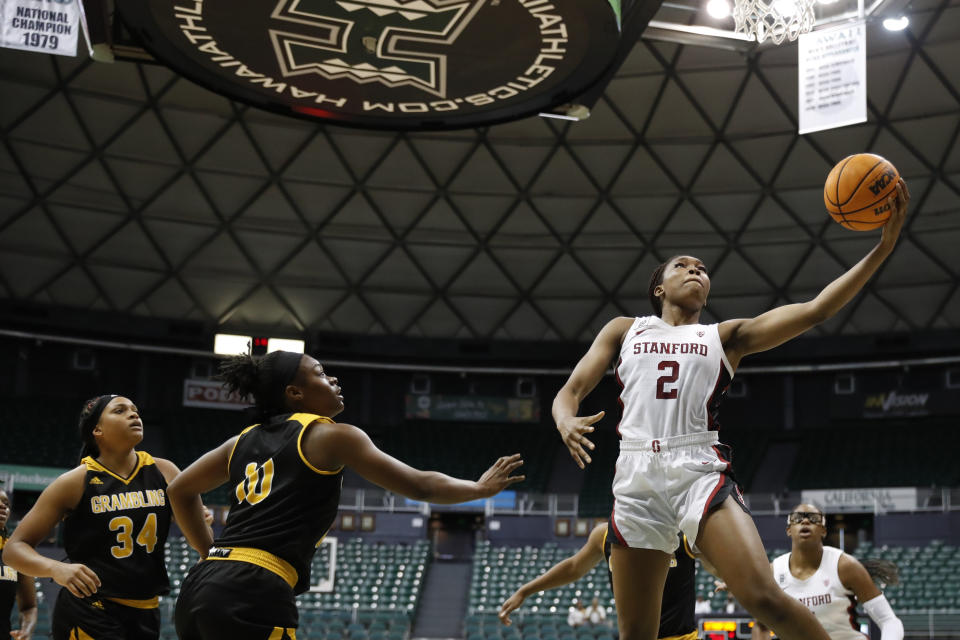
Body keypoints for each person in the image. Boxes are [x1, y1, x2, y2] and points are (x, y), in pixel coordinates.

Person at [551, 181, 909, 640]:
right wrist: (564, 418)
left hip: (697, 469)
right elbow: (572, 389)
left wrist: (883, 247)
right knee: (637, 633)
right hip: (635, 475)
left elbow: (817, 309)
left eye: (703, 268)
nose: (697, 270)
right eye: (684, 266)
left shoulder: (725, 337)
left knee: (761, 597)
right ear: (659, 287)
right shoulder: (625, 329)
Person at [167, 351, 525, 640]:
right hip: (254, 586)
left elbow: (180, 490)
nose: (334, 379)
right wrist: (478, 489)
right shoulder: (331, 436)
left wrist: (206, 551)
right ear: (295, 393)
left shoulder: (240, 441)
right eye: (321, 374)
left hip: (202, 585)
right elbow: (420, 485)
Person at [2, 395, 205, 640]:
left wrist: (197, 519)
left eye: (135, 410)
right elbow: (13, 549)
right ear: (97, 429)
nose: (133, 414)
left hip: (146, 611)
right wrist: (56, 568)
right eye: (120, 410)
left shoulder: (165, 471)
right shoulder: (75, 481)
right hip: (90, 609)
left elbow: (201, 539)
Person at [500, 525, 703, 640]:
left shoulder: (683, 535)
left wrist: (725, 577)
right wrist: (525, 591)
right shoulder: (604, 535)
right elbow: (573, 567)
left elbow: (715, 564)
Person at [751, 504, 903, 640]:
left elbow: (889, 621)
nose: (805, 521)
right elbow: (761, 626)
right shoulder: (774, 572)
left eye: (813, 518)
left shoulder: (845, 565)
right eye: (797, 518)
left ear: (823, 530)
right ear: (788, 530)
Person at [0, 487, 37, 640]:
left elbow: (29, 607)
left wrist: (26, 630)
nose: (3, 506)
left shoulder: (16, 554)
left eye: (6, 503)